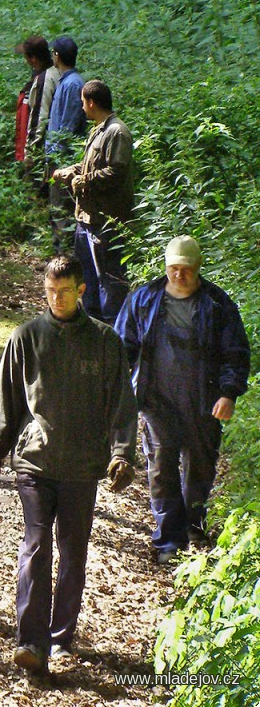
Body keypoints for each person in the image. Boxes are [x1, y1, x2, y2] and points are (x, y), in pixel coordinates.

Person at [0, 255, 137, 677]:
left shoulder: (105, 342)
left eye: (64, 291)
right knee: (35, 547)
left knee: (73, 553)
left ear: (81, 291)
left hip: (84, 465)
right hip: (36, 462)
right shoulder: (26, 338)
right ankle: (30, 641)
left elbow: (122, 403)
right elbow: (6, 400)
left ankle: (61, 638)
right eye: (50, 291)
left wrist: (122, 453)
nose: (56, 298)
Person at [114, 236, 251, 564]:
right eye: (174, 269)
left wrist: (228, 393)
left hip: (203, 400)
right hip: (156, 400)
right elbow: (121, 347)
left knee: (199, 468)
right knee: (161, 467)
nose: (179, 275)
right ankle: (167, 540)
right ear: (166, 267)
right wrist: (117, 388)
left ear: (197, 268)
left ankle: (192, 529)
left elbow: (236, 353)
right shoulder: (144, 300)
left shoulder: (217, 304)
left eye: (186, 269)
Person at [53, 79, 134, 325]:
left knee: (109, 281)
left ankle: (113, 334)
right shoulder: (98, 129)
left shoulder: (117, 132)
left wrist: (82, 181)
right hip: (86, 219)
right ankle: (89, 327)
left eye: (82, 103)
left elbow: (116, 172)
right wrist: (70, 171)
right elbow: (91, 166)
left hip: (106, 222)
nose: (82, 108)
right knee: (86, 279)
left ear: (91, 102)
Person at [43, 36, 86, 251]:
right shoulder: (66, 81)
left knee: (62, 208)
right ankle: (59, 253)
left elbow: (67, 126)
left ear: (57, 56)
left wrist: (58, 158)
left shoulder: (72, 85)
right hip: (58, 155)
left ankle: (65, 257)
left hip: (64, 157)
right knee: (56, 207)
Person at [14, 35, 58, 167]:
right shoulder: (45, 73)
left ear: (33, 59)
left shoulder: (44, 79)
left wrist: (31, 153)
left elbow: (39, 117)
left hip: (41, 151)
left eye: (26, 56)